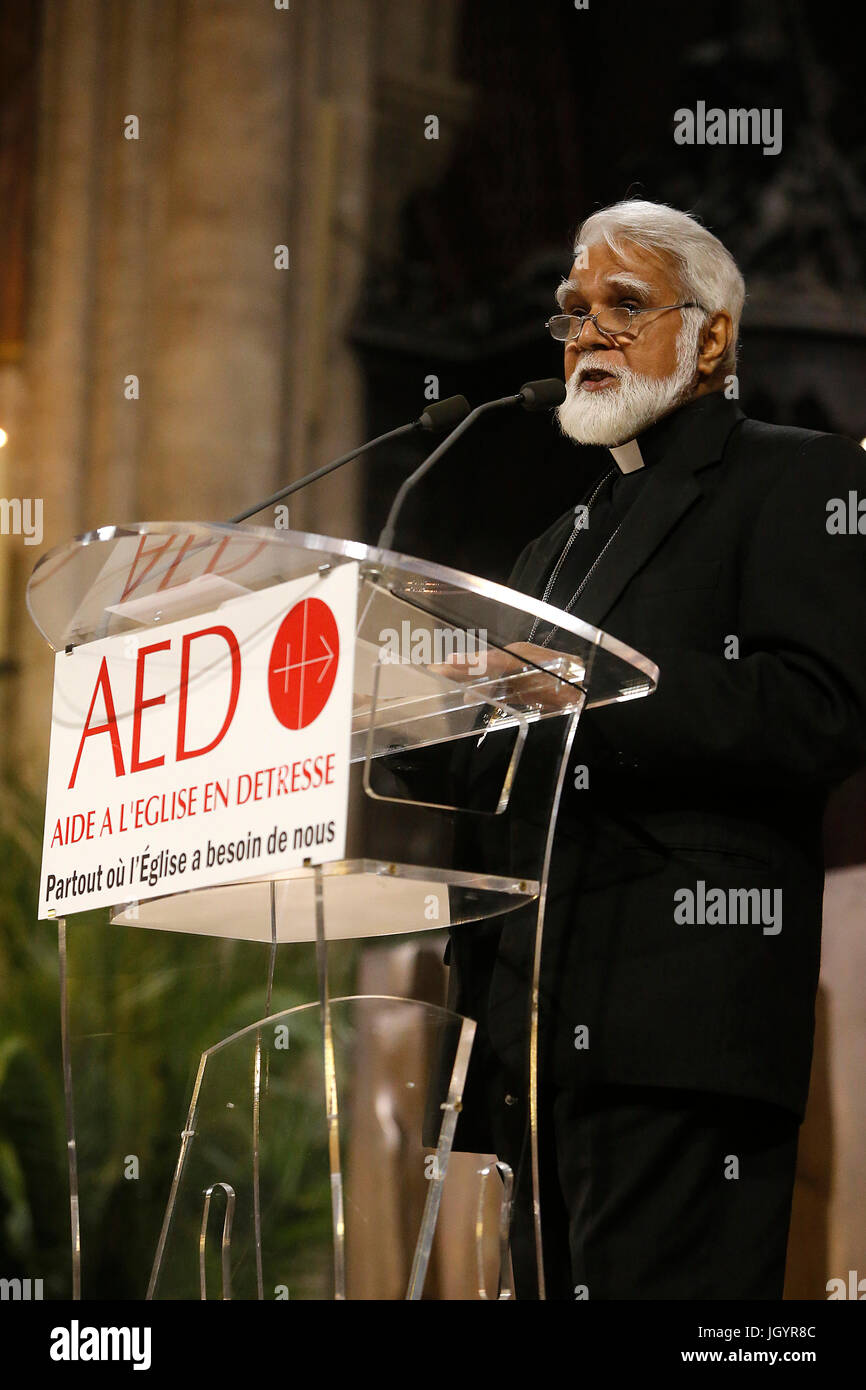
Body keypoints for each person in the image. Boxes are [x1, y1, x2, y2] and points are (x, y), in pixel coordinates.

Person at [445, 198, 866, 1299]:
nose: (587, 331)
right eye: (571, 312)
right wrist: (396, 725)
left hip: (678, 1035)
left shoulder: (799, 480)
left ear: (710, 336)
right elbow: (495, 757)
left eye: (622, 305)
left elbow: (814, 710)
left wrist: (585, 694)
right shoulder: (555, 543)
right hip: (529, 1045)